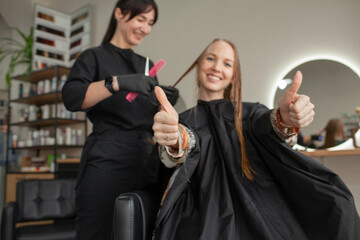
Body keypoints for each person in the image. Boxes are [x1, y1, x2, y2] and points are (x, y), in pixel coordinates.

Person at [152, 39, 360, 239]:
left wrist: (286, 119)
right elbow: (186, 142)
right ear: (198, 66)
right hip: (202, 214)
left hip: (261, 213)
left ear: (234, 75)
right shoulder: (184, 121)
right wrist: (175, 138)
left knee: (339, 202)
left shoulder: (252, 114)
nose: (217, 67)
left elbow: (267, 125)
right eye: (210, 59)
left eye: (227, 63)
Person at [61, 0, 178, 239]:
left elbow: (146, 115)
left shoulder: (147, 66)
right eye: (140, 19)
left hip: (145, 162)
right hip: (107, 160)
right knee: (98, 230)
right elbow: (72, 98)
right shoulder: (93, 57)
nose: (145, 28)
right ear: (119, 13)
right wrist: (116, 83)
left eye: (150, 23)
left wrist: (163, 101)